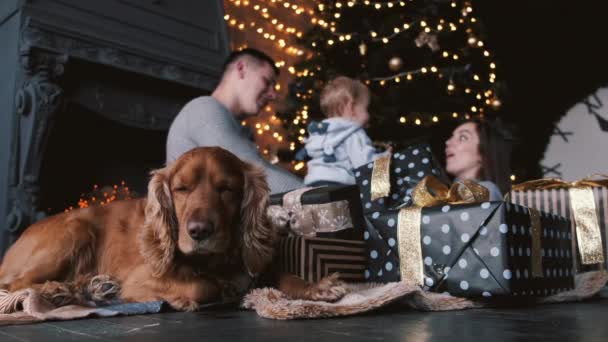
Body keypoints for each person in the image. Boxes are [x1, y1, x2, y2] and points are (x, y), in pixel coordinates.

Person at [166, 48, 303, 194]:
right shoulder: (204, 108)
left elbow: (261, 169)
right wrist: (319, 196)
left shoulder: (235, 126)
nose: (273, 95)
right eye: (267, 81)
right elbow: (253, 176)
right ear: (241, 68)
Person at [303, 76, 389, 186]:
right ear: (352, 107)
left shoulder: (322, 131)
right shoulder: (353, 132)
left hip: (313, 181)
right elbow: (365, 164)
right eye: (366, 108)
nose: (369, 115)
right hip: (339, 184)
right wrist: (385, 158)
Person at [444, 118, 515, 201]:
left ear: (483, 153)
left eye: (462, 137)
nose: (448, 142)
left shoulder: (484, 192)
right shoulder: (443, 194)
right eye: (452, 137)